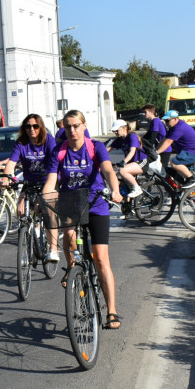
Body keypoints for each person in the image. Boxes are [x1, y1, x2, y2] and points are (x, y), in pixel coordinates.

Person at [43, 110, 124, 329]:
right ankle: (72, 268)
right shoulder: (59, 151)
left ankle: (112, 311)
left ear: (84, 126)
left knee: (100, 258)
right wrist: (45, 198)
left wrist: (114, 189)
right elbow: (51, 182)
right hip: (71, 201)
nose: (72, 130)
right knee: (68, 234)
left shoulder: (95, 147)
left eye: (76, 126)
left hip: (96, 202)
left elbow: (107, 170)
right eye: (68, 127)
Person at [1, 113, 60, 261]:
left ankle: (53, 250)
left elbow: (55, 162)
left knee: (47, 211)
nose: (31, 129)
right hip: (29, 183)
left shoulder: (49, 141)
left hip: (47, 182)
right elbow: (12, 163)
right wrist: (6, 177)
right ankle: (33, 236)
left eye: (35, 126)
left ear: (41, 127)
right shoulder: (21, 142)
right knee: (21, 212)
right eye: (28, 126)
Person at [156, 110, 195, 188]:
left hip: (194, 152)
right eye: (165, 121)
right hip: (186, 152)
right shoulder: (173, 127)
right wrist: (155, 150)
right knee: (178, 175)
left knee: (174, 163)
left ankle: (192, 179)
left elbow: (168, 142)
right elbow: (164, 140)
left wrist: (156, 153)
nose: (166, 123)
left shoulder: (180, 127)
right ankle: (187, 197)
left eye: (168, 121)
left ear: (175, 119)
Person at [109, 119, 147, 199]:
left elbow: (132, 151)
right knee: (119, 181)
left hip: (141, 162)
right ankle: (128, 206)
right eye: (113, 131)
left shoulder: (132, 136)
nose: (115, 132)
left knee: (122, 170)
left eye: (116, 130)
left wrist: (124, 162)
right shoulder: (120, 139)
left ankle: (137, 189)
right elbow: (109, 148)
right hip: (131, 163)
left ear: (124, 128)